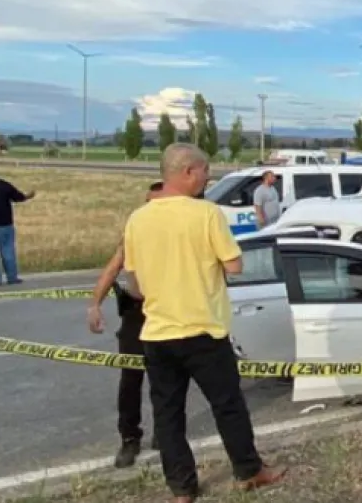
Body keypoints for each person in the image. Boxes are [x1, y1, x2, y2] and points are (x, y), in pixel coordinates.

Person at [123, 144, 284, 502]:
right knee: (228, 406)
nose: (208, 177)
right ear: (187, 172)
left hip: (158, 334)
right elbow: (234, 265)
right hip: (203, 330)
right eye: (205, 171)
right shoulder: (207, 214)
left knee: (168, 416)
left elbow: (134, 284)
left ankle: (182, 488)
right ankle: (248, 470)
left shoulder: (139, 218)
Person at [87, 181, 164, 469]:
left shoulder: (176, 233)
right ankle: (130, 438)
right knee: (131, 379)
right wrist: (95, 303)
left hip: (165, 312)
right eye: (148, 202)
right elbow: (113, 267)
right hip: (136, 312)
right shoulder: (135, 232)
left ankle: (165, 432)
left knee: (165, 378)